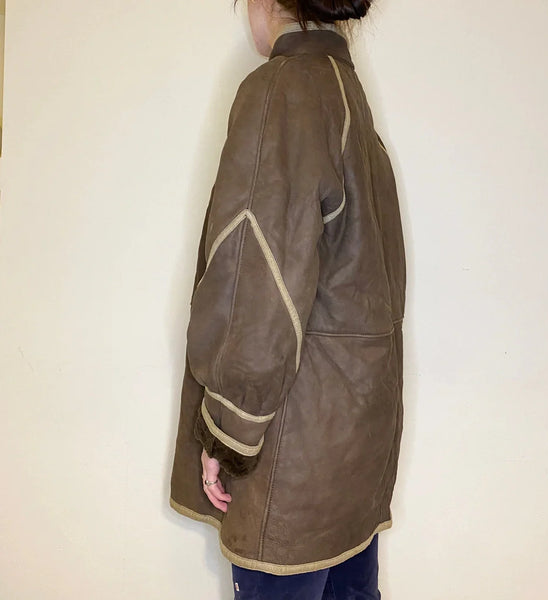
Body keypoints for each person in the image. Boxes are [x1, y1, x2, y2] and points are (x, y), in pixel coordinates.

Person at [169, 0, 407, 597]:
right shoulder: (346, 93)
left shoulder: (284, 90)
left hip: (291, 449)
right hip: (355, 446)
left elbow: (257, 277)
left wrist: (226, 434)